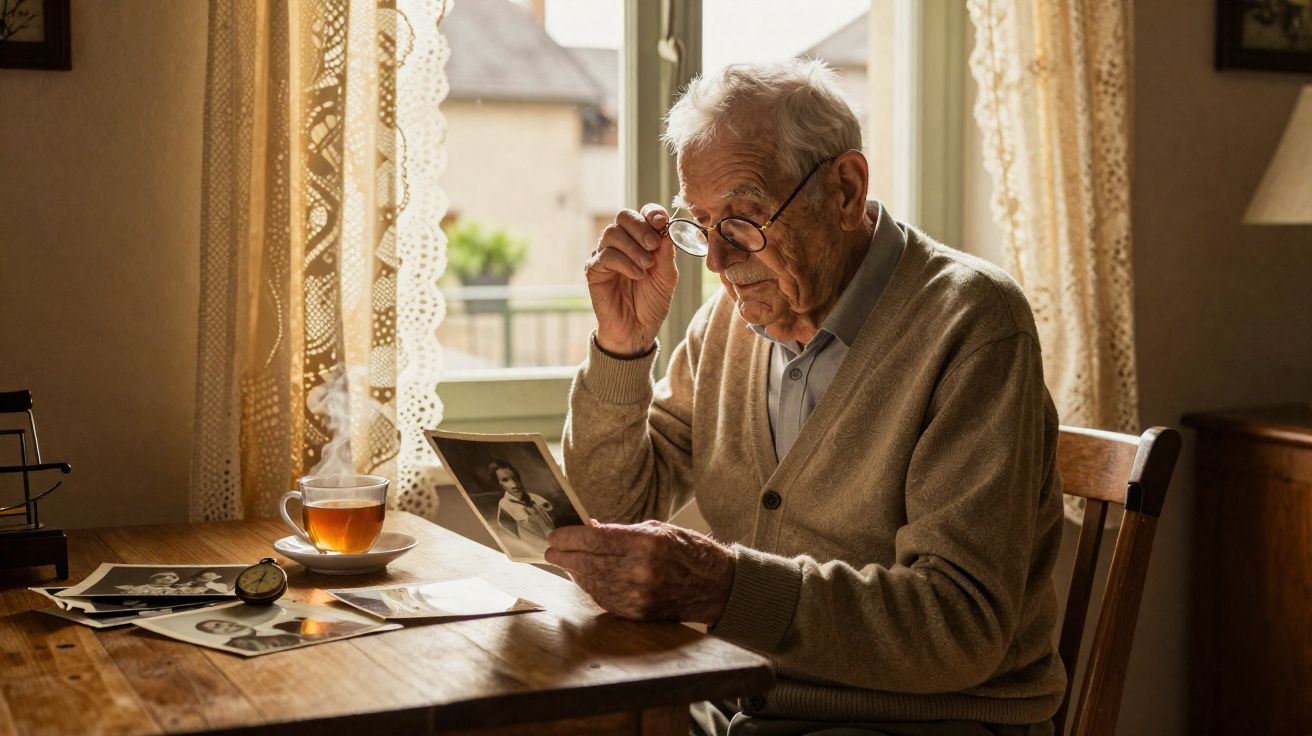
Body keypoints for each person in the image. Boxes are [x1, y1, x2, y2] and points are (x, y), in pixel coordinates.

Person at [545, 59, 1065, 735]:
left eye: (743, 219)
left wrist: (725, 587)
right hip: (738, 701)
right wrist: (621, 347)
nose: (720, 262)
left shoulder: (973, 325)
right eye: (700, 224)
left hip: (917, 722)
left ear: (845, 190)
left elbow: (959, 624)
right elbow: (606, 513)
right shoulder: (724, 328)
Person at [490, 458, 556, 545]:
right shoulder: (504, 506)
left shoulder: (536, 498)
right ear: (498, 483)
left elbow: (554, 522)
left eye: (515, 478)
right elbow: (513, 540)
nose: (514, 484)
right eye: (505, 480)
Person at [194, 619, 301, 653]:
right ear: (215, 634)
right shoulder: (239, 645)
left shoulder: (281, 623)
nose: (226, 625)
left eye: (220, 622)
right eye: (217, 627)